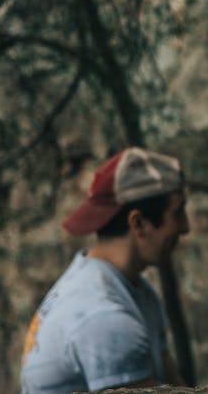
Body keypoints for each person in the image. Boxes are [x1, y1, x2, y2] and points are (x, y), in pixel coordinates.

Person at [20, 147, 191, 394]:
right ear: (139, 224)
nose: (185, 227)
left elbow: (173, 384)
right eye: (177, 213)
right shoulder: (105, 317)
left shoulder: (136, 292)